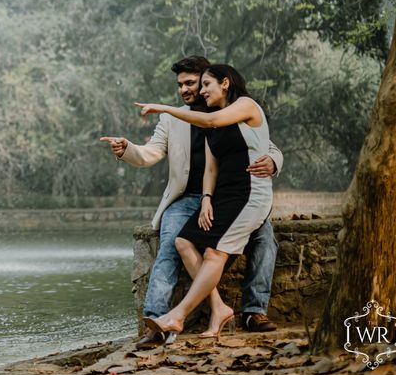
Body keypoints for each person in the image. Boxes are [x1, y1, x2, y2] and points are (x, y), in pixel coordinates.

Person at [100, 56, 282, 347]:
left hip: (237, 196)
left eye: (192, 83)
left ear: (209, 81)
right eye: (179, 85)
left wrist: (273, 162)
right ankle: (157, 321)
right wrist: (127, 149)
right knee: (174, 242)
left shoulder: (230, 110)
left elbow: (267, 145)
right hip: (189, 197)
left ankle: (254, 311)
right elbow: (151, 153)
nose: (184, 90)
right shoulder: (173, 119)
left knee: (265, 237)